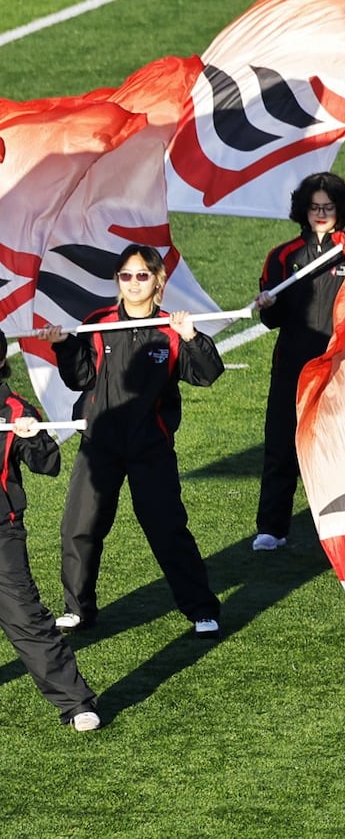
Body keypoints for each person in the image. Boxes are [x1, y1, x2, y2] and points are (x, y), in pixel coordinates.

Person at [41, 245, 224, 637]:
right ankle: (78, 609)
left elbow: (207, 374)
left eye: (142, 275)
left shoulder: (172, 330)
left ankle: (201, 610)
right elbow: (81, 379)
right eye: (126, 275)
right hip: (99, 446)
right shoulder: (98, 322)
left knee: (167, 528)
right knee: (79, 526)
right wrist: (63, 345)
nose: (134, 282)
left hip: (150, 447)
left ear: (157, 280)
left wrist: (191, 337)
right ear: (117, 281)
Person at [253, 172, 345, 552]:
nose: (321, 214)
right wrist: (268, 305)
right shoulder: (282, 255)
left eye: (328, 207)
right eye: (315, 207)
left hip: (341, 365)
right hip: (293, 364)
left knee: (343, 446)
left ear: (340, 210)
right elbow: (271, 320)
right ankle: (271, 527)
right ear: (304, 211)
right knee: (281, 444)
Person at [0, 334, 101, 730]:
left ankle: (76, 703)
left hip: (1, 535)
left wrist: (33, 435)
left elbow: (49, 464)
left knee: (25, 619)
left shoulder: (14, 409)